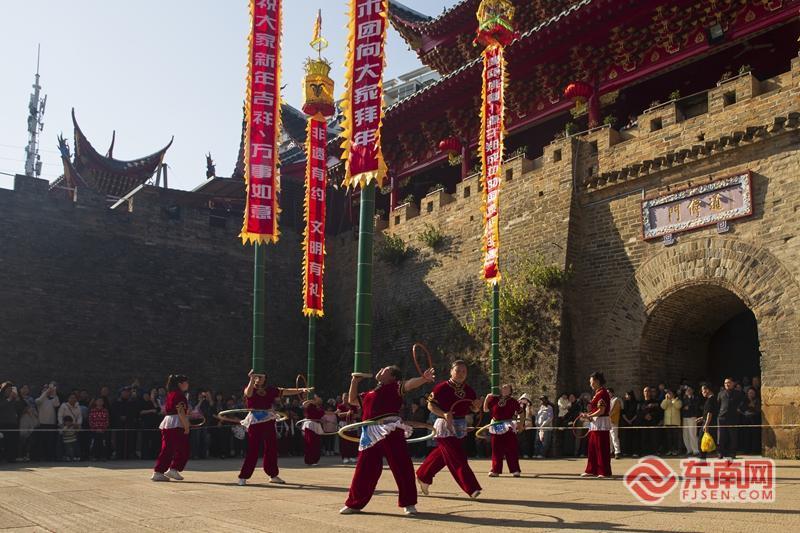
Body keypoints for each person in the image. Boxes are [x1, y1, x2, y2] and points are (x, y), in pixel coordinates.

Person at [340, 365, 435, 516]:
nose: (381, 369)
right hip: (370, 432)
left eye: (386, 369)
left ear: (393, 377)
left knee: (401, 466)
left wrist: (423, 379)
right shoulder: (369, 393)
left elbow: (410, 384)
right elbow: (352, 400)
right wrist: (354, 381)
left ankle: (409, 503)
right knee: (364, 469)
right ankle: (354, 503)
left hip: (391, 428)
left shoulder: (395, 387)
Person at [416, 360, 483, 499]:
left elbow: (473, 409)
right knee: (458, 457)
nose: (461, 374)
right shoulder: (441, 388)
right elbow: (430, 405)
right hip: (445, 425)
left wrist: (477, 407)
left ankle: (423, 475)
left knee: (443, 456)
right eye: (457, 371)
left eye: (464, 371)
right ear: (451, 371)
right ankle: (471, 488)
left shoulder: (469, 390)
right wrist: (444, 414)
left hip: (461, 425)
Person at [236, 370, 308, 485]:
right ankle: (243, 476)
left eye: (261, 377)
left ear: (265, 378)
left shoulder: (270, 390)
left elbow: (285, 391)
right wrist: (251, 379)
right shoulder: (250, 388)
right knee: (253, 449)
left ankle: (273, 475)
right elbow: (248, 394)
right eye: (257, 377)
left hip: (268, 420)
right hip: (255, 421)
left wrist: (301, 390)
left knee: (271, 448)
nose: (259, 379)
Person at [151, 374, 191, 481]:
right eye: (186, 382)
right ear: (180, 384)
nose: (187, 384)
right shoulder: (179, 395)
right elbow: (180, 411)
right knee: (170, 449)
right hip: (176, 424)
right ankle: (159, 471)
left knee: (181, 448)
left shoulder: (173, 394)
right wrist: (186, 426)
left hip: (172, 422)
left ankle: (173, 469)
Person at [483, 384, 521, 477]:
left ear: (510, 391)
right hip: (496, 425)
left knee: (511, 448)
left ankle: (515, 470)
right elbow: (485, 410)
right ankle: (495, 470)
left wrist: (520, 424)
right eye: (503, 387)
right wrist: (487, 398)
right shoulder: (494, 399)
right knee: (496, 449)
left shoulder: (513, 401)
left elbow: (521, 412)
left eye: (507, 388)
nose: (504, 389)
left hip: (508, 425)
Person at [580, 372, 612, 478]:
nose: (591, 384)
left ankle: (603, 471)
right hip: (595, 423)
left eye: (592, 382)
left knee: (601, 447)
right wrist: (588, 415)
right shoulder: (597, 393)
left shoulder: (602, 393)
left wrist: (589, 415)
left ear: (597, 381)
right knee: (592, 447)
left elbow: (601, 410)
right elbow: (596, 410)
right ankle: (591, 469)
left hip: (601, 423)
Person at [717, 377, 744, 460]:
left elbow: (743, 402)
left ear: (733, 383)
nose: (727, 384)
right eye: (725, 383)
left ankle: (732, 453)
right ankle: (721, 452)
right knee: (721, 436)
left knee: (733, 436)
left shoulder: (738, 393)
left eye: (729, 382)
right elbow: (718, 404)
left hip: (733, 417)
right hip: (722, 417)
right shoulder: (721, 393)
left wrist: (739, 409)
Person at [35, 382, 60, 461]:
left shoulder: (52, 399)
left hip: (51, 424)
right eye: (45, 389)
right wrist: (46, 392)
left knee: (50, 442)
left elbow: (57, 404)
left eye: (48, 389)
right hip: (42, 423)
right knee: (41, 442)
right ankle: (40, 457)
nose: (47, 390)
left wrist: (54, 393)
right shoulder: (39, 399)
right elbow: (38, 401)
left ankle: (50, 457)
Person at [301, 395, 325, 466]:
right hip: (310, 425)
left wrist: (336, 413)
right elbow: (303, 404)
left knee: (317, 444)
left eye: (320, 399)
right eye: (318, 399)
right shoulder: (310, 405)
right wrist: (312, 401)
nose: (319, 400)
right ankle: (309, 460)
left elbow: (324, 413)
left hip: (317, 425)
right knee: (310, 443)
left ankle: (315, 460)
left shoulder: (321, 407)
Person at [57, 393, 82, 461]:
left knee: (75, 444)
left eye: (74, 398)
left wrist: (78, 424)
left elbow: (79, 416)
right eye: (71, 398)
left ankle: (76, 456)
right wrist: (61, 424)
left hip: (74, 428)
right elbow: (60, 415)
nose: (73, 399)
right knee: (65, 444)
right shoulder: (63, 406)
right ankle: (64, 456)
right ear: (68, 399)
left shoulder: (78, 406)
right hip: (65, 427)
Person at [637, 387, 662, 456]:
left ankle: (654, 452)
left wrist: (651, 415)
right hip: (643, 423)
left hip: (652, 422)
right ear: (643, 393)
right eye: (645, 391)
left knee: (653, 438)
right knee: (644, 438)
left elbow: (658, 412)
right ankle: (644, 452)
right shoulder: (640, 402)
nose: (647, 393)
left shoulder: (655, 402)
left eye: (648, 391)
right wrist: (644, 416)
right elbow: (638, 412)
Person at [0, 382, 20, 463]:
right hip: (3, 422)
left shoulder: (14, 398)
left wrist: (16, 397)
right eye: (8, 389)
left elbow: (19, 406)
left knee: (12, 441)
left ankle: (11, 457)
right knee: (3, 441)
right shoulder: (1, 397)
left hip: (13, 422)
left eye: (11, 389)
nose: (10, 391)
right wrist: (9, 399)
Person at [697, 383, 717, 461]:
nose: (702, 392)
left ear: (707, 390)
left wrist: (706, 424)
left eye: (703, 390)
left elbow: (710, 413)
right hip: (708, 422)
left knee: (701, 440)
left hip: (709, 423)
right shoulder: (711, 399)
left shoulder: (711, 400)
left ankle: (702, 459)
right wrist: (702, 418)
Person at [739, 387, 761, 455]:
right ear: (747, 393)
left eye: (752, 393)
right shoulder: (744, 400)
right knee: (746, 435)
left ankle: (755, 450)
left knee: (755, 435)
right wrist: (746, 409)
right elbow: (740, 409)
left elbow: (758, 410)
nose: (751, 394)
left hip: (754, 420)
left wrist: (753, 406)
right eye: (750, 393)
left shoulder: (757, 400)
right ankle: (746, 450)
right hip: (746, 420)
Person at [660, 389, 682, 456]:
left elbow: (678, 406)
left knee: (675, 438)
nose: (669, 395)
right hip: (668, 422)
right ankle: (669, 450)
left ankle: (675, 450)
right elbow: (662, 407)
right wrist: (666, 400)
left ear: (673, 394)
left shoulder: (678, 400)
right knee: (668, 438)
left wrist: (673, 400)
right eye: (668, 393)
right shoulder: (666, 401)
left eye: (670, 393)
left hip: (675, 422)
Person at [680, 386, 701, 456]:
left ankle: (695, 450)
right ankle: (689, 449)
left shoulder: (695, 398)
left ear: (692, 390)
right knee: (685, 434)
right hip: (685, 417)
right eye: (687, 390)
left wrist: (689, 407)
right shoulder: (683, 398)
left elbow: (696, 406)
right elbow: (681, 406)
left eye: (689, 390)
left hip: (692, 416)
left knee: (692, 433)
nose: (688, 391)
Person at [620, 390, 639, 457]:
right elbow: (623, 413)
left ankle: (635, 452)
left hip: (634, 422)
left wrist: (631, 420)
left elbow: (636, 413)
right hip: (626, 422)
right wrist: (628, 420)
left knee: (634, 437)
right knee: (626, 437)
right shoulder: (624, 403)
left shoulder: (635, 403)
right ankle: (626, 452)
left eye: (627, 395)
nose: (626, 396)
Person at [608, 388, 622, 459]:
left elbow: (616, 410)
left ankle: (617, 452)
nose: (608, 394)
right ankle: (610, 451)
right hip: (607, 421)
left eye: (609, 392)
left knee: (614, 437)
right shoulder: (607, 400)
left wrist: (608, 415)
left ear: (612, 393)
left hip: (613, 420)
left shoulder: (616, 400)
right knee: (609, 438)